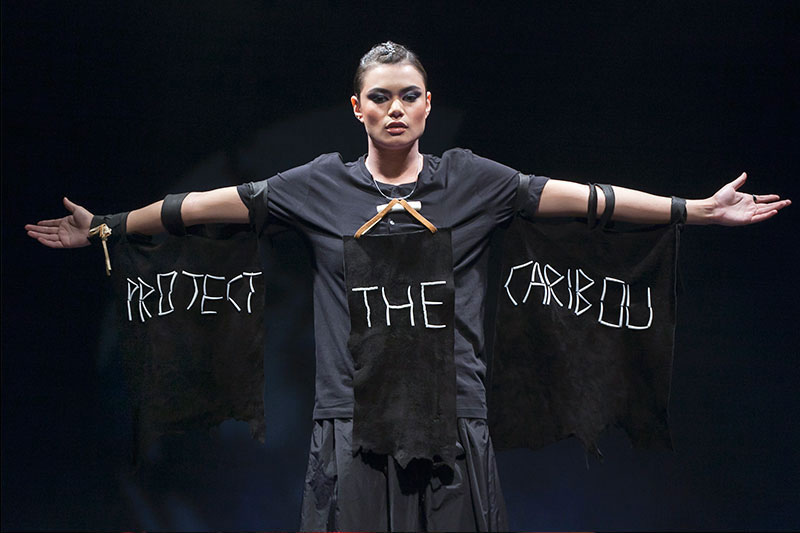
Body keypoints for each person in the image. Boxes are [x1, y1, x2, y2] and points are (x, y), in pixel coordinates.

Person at [25, 41, 790, 532]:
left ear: (427, 104)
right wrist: (107, 226)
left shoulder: (476, 181)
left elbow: (592, 198)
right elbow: (199, 210)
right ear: (357, 108)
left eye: (410, 94)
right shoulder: (315, 185)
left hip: (453, 422)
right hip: (348, 428)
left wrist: (698, 211)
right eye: (381, 96)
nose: (396, 107)